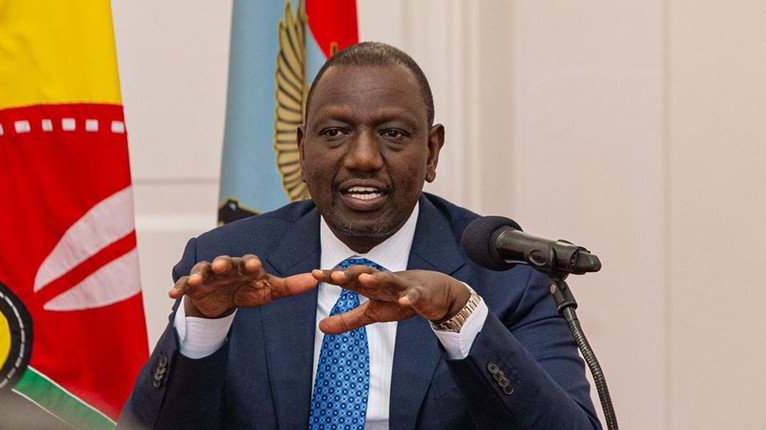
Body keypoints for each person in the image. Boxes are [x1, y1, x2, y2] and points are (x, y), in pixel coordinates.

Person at [119, 42, 601, 430]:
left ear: (432, 151)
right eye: (335, 133)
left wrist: (460, 316)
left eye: (392, 134)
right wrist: (203, 326)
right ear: (302, 151)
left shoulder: (506, 277)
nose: (364, 157)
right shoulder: (228, 264)